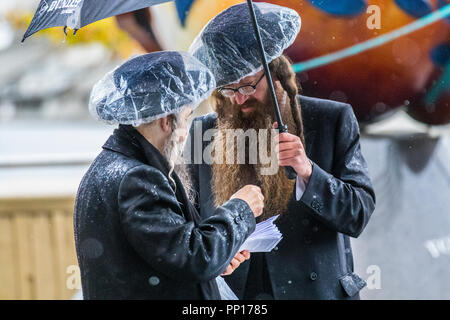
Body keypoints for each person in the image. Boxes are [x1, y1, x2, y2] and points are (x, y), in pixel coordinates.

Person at [187, 2, 376, 299]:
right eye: (228, 89)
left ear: (275, 74)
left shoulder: (332, 120)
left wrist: (307, 171)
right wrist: (214, 251)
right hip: (236, 290)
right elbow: (189, 219)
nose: (239, 99)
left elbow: (358, 214)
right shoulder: (203, 132)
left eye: (248, 86)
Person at [74, 51, 265, 299]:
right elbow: (194, 258)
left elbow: (166, 253)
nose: (185, 132)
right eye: (185, 119)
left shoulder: (109, 165)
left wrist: (220, 255)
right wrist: (241, 208)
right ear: (166, 120)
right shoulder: (138, 178)